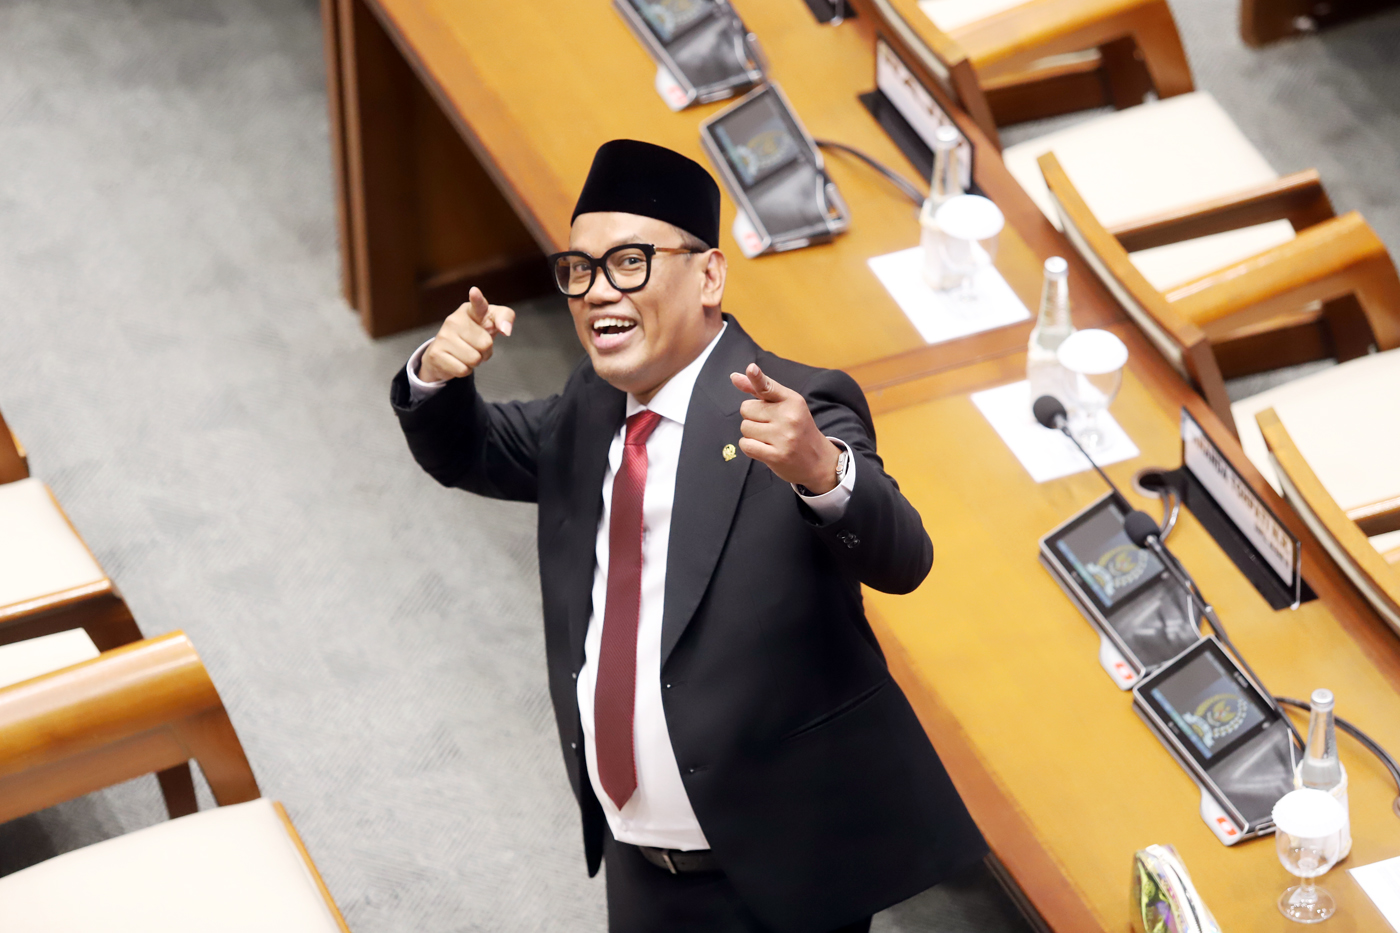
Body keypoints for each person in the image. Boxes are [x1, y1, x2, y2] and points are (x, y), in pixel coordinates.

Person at [391, 139, 986, 933]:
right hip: (639, 856)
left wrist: (820, 469)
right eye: (579, 269)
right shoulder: (590, 407)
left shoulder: (794, 407)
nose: (598, 292)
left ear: (709, 276)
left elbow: (904, 557)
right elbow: (472, 451)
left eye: (628, 262)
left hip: (783, 869)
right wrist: (437, 375)